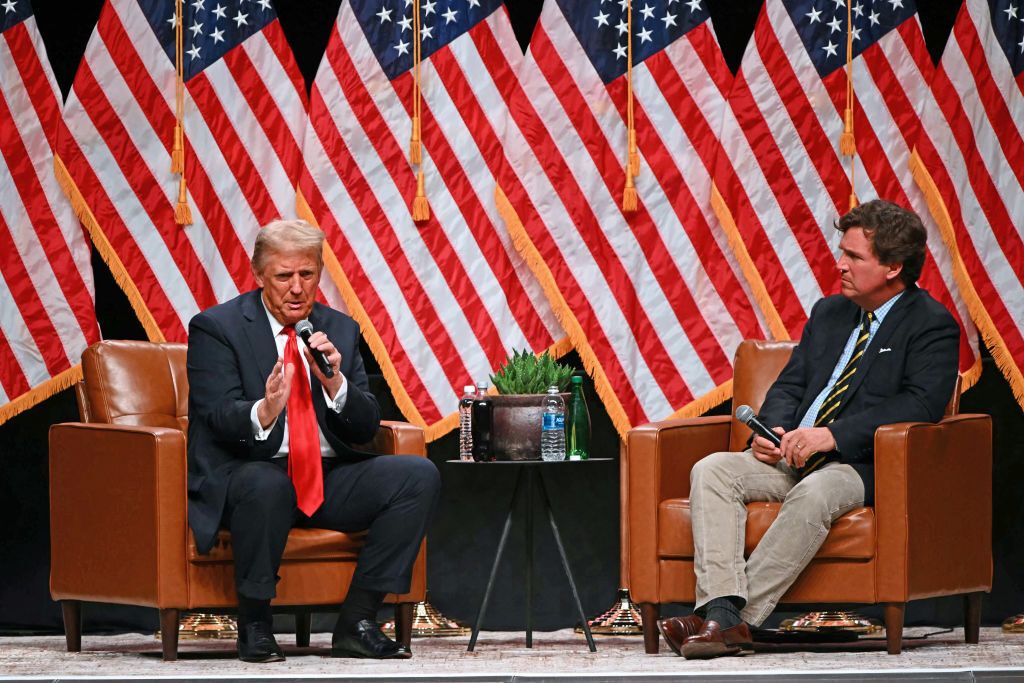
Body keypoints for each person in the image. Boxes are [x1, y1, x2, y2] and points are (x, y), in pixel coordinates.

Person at [657, 200, 960, 659]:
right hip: (791, 454)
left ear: (894, 267)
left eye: (855, 257)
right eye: (843, 252)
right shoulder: (829, 313)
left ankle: (731, 622)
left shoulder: (932, 325)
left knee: (816, 492)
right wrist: (774, 428)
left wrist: (833, 435)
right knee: (713, 469)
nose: (840, 264)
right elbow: (791, 383)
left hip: (859, 463)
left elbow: (921, 403)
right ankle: (721, 609)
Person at [186, 219, 440, 663]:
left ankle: (357, 622)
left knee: (416, 474)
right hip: (251, 475)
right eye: (284, 276)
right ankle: (256, 625)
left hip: (326, 478)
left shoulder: (338, 329)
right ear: (259, 274)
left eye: (308, 275)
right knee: (268, 485)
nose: (297, 288)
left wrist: (336, 383)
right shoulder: (217, 327)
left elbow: (364, 428)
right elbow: (217, 416)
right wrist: (265, 410)